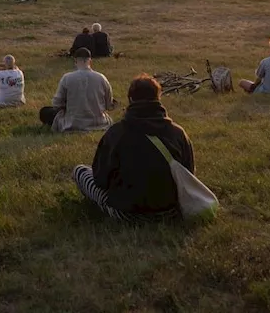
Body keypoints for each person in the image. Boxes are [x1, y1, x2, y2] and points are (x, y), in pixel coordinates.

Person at [71, 74, 194, 221]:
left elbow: (100, 179)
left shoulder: (116, 133)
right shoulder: (178, 133)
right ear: (158, 98)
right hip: (170, 211)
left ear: (130, 100)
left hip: (126, 212)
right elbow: (189, 173)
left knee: (81, 171)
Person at [40, 48, 114, 132]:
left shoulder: (67, 78)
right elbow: (109, 105)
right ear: (90, 61)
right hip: (98, 122)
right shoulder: (102, 78)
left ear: (75, 61)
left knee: (44, 111)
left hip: (72, 123)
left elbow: (57, 104)